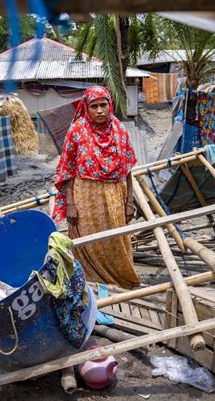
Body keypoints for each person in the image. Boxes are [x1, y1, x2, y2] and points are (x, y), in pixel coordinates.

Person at [52, 86, 141, 289]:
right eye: (94, 106)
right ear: (86, 108)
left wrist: (129, 201)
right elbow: (68, 170)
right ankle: (91, 284)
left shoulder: (119, 129)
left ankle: (121, 282)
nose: (100, 110)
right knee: (87, 242)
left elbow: (127, 168)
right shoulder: (76, 130)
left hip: (114, 195)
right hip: (86, 196)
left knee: (116, 238)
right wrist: (71, 204)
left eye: (103, 105)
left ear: (110, 106)